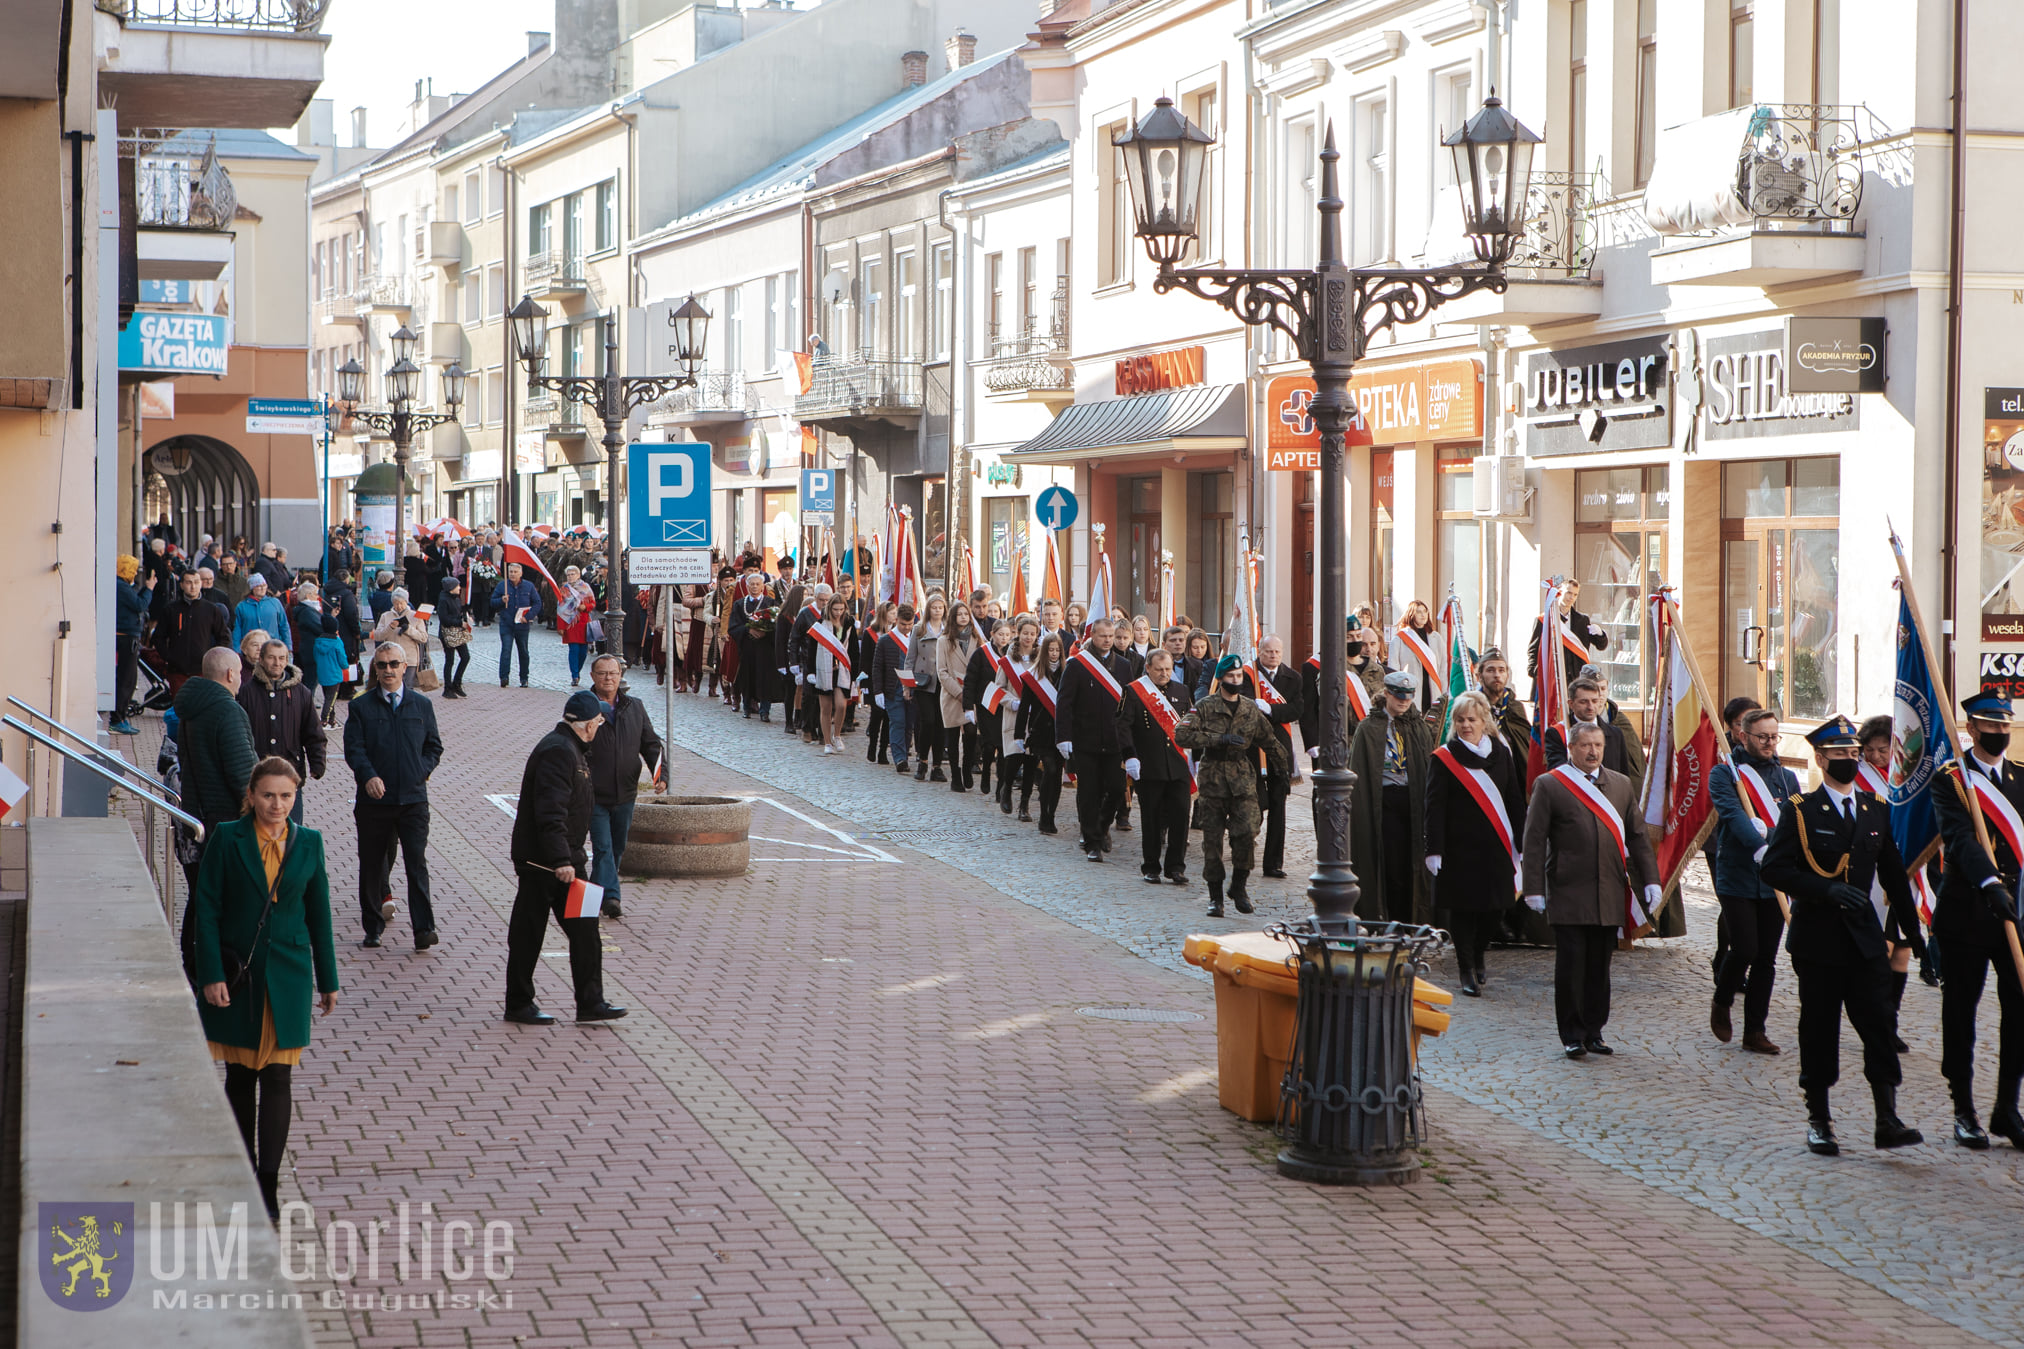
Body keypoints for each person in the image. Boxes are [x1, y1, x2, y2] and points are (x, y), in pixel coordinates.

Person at [1760, 716, 1926, 1156]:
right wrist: (1825, 888)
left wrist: (1918, 937)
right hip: (1819, 941)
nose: (1850, 761)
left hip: (1867, 940)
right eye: (1840, 755)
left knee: (1879, 1025)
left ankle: (1887, 1118)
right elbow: (1774, 868)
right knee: (1819, 1029)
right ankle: (1820, 1119)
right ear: (1820, 758)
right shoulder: (1801, 810)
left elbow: (1895, 876)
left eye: (1854, 754)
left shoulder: (1875, 810)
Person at [191, 756, 340, 1221]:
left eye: (286, 796)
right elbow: (206, 910)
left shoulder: (309, 843)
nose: (277, 805)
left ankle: (268, 1185)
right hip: (241, 976)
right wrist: (210, 973)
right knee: (240, 1077)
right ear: (252, 795)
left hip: (290, 977)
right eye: (269, 795)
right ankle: (243, 1174)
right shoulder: (227, 838)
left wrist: (328, 980)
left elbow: (320, 914)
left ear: (296, 797)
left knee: (279, 1076)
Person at [1521, 721, 1663, 1058]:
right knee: (1571, 965)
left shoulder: (1621, 785)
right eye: (1585, 745)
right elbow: (1535, 838)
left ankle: (1594, 1031)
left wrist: (1652, 880)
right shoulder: (1551, 785)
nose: (1592, 752)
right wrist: (1533, 889)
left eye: (1597, 745)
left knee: (1599, 966)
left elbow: (1639, 838)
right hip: (1568, 889)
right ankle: (1571, 1033)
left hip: (1609, 890)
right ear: (1571, 748)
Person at [1930, 690, 2024, 1150]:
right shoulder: (1952, 778)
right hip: (1968, 910)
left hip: (2015, 914)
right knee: (1961, 1014)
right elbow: (1961, 840)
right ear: (1971, 728)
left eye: (2005, 725)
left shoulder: (2021, 779)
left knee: (2020, 1010)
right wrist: (1990, 883)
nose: (2000, 733)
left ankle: (2008, 1107)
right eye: (1990, 725)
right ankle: (1963, 1109)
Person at [505, 690, 628, 1025]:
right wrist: (561, 860)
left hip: (568, 861)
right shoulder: (559, 752)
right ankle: (518, 1003)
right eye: (599, 723)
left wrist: (569, 860)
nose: (600, 729)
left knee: (586, 930)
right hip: (544, 864)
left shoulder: (571, 748)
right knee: (528, 932)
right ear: (588, 726)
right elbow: (550, 811)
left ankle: (591, 1002)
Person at [1707, 707, 1801, 1054]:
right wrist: (1759, 845)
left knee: (1766, 957)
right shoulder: (1725, 774)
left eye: (1774, 737)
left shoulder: (1787, 777)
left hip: (1775, 876)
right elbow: (1732, 814)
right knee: (1745, 948)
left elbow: (1793, 822)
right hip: (1738, 874)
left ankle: (1755, 1031)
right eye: (1762, 737)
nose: (1769, 743)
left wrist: (1773, 840)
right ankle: (1722, 997)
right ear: (1743, 736)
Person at [1426, 690, 1527, 996]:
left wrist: (1522, 840)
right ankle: (1465, 968)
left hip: (1497, 845)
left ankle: (1480, 953)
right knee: (1464, 911)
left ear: (1484, 721)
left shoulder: (1501, 753)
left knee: (1495, 910)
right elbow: (1435, 805)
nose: (1466, 725)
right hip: (1460, 849)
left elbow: (1513, 799)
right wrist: (1434, 849)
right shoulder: (1445, 758)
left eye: (1471, 719)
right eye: (1460, 720)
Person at [343, 642, 442, 950]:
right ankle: (372, 927)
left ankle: (424, 929)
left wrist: (420, 770)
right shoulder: (361, 706)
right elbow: (354, 749)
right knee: (372, 864)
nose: (387, 670)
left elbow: (434, 747)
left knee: (416, 864)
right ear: (376, 668)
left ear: (403, 667)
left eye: (393, 664)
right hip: (375, 803)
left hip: (413, 800)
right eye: (382, 665)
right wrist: (368, 775)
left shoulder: (421, 705)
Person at [1175, 654, 1287, 915]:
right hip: (1213, 778)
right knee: (1212, 841)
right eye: (1230, 677)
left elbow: (1269, 740)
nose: (1236, 680)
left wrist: (1283, 768)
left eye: (1239, 676)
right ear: (1221, 679)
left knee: (1247, 833)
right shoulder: (1204, 706)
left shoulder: (1249, 708)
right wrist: (1218, 739)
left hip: (1242, 779)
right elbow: (1182, 734)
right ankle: (1215, 897)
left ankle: (1239, 885)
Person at [1349, 671, 1435, 923]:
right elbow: (1359, 769)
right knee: (1393, 863)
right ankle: (1391, 917)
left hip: (1413, 800)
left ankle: (1415, 917)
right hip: (1384, 801)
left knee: (1415, 860)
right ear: (1386, 694)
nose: (1404, 702)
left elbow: (1426, 764)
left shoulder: (1417, 726)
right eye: (1398, 697)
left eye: (1409, 697)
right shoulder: (1369, 727)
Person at [1857, 713, 1923, 1035]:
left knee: (1902, 952)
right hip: (1875, 874)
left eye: (1882, 750)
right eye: (1869, 749)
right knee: (1881, 949)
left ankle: (1890, 1022)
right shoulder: (1859, 778)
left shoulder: (1907, 778)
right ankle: (1876, 1021)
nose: (1875, 756)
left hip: (1907, 870)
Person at [585, 654, 664, 920]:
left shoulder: (635, 707)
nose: (608, 678)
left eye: (613, 673)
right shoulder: (584, 706)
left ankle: (593, 900)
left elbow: (651, 744)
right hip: (594, 794)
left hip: (626, 793)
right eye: (603, 673)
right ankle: (613, 898)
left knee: (616, 848)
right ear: (593, 677)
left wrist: (660, 774)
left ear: (621, 676)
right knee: (603, 848)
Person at [173, 647, 257, 895]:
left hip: (199, 812)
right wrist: (260, 810)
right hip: (227, 819)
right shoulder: (228, 711)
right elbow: (242, 772)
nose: (242, 678)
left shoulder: (193, 708)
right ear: (230, 674)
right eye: (241, 672)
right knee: (227, 897)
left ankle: (193, 936)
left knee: (202, 897)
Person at [1055, 618, 1133, 862]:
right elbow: (1064, 703)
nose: (1108, 640)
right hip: (1085, 740)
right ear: (1092, 637)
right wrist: (1063, 737)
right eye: (1102, 635)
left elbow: (1128, 705)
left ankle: (1101, 826)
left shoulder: (1124, 666)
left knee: (1117, 788)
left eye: (1111, 635)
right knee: (1089, 792)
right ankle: (1092, 842)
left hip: (1114, 741)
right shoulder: (1077, 665)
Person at [1120, 647, 1194, 885]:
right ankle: (1151, 866)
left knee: (1181, 816)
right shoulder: (1133, 691)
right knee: (1151, 818)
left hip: (1178, 765)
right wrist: (1130, 755)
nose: (1164, 674)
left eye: (1168, 669)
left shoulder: (1182, 690)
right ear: (1148, 668)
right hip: (1149, 764)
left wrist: (1197, 757)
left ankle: (1176, 867)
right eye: (1159, 669)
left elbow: (1190, 724)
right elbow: (1123, 726)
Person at [237, 640, 326, 825]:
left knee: (291, 830)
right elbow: (239, 734)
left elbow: (313, 731)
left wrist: (317, 763)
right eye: (271, 657)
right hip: (257, 774)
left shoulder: (301, 693)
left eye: (282, 658)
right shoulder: (246, 692)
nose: (277, 663)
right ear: (261, 659)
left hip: (290, 770)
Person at [1242, 636, 1303, 877]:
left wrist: (1271, 709)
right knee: (1257, 801)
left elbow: (1297, 709)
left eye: (1277, 651)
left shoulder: (1293, 678)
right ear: (1260, 651)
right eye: (1268, 651)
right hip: (1253, 747)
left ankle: (1273, 863)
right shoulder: (1248, 674)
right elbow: (1243, 703)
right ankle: (1244, 854)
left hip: (1279, 748)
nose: (1273, 656)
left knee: (1279, 805)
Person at [1015, 632, 1067, 831]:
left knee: (1057, 775)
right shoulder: (1034, 676)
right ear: (1044, 652)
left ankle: (1050, 814)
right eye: (1050, 650)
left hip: (1060, 733)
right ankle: (1043, 813)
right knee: (1050, 769)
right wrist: (1019, 734)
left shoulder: (1067, 672)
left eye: (1057, 650)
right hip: (1040, 733)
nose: (1054, 654)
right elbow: (1024, 706)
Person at [159, 569, 233, 696]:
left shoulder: (211, 609)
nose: (193, 586)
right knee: (180, 709)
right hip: (177, 671)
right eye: (188, 582)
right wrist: (169, 657)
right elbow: (158, 637)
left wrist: (213, 659)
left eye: (196, 582)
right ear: (181, 585)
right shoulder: (171, 609)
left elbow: (224, 637)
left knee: (201, 707)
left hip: (203, 670)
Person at [1527, 577, 1610, 691]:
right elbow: (1533, 649)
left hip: (1576, 680)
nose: (1571, 598)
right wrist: (1535, 671)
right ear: (1559, 592)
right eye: (1568, 593)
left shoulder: (1582, 620)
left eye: (1575, 595)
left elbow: (1601, 646)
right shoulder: (1545, 619)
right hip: (1552, 678)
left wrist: (1600, 634)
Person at [964, 619, 1015, 800]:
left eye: (1007, 635)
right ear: (992, 634)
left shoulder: (1012, 655)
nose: (1004, 638)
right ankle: (986, 771)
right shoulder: (981, 654)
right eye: (1000, 634)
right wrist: (968, 706)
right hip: (986, 705)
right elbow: (970, 681)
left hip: (1004, 705)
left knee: (1003, 748)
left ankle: (1000, 786)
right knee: (988, 745)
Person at [1544, 678, 1637, 777]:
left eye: (1594, 701)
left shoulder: (1615, 734)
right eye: (1584, 702)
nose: (1590, 707)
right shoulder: (1558, 733)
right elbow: (1557, 772)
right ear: (1571, 704)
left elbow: (1623, 774)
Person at [936, 602, 981, 790]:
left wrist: (970, 693)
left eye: (966, 614)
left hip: (971, 694)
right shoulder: (944, 640)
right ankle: (955, 775)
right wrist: (958, 692)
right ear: (953, 617)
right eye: (959, 614)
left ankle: (967, 768)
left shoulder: (977, 639)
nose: (963, 617)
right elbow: (942, 671)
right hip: (952, 694)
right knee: (953, 736)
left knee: (971, 732)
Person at [804, 594, 856, 753]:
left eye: (841, 609)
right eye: (835, 609)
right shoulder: (820, 625)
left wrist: (855, 674)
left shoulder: (849, 624)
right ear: (829, 608)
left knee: (841, 705)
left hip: (842, 670)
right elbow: (811, 650)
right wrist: (811, 671)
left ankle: (837, 735)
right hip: (824, 669)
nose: (838, 613)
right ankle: (827, 742)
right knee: (825, 708)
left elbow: (854, 650)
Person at [871, 602, 917, 772]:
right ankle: (899, 758)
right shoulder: (885, 640)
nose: (906, 628)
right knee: (897, 721)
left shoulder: (916, 639)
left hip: (912, 688)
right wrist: (878, 691)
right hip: (893, 688)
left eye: (910, 624)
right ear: (896, 621)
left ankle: (904, 753)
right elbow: (877, 667)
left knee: (908, 725)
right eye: (903, 624)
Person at [910, 591, 949, 780]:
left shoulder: (948, 630)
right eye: (934, 608)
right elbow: (910, 658)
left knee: (941, 725)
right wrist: (907, 686)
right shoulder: (919, 629)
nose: (937, 611)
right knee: (928, 721)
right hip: (924, 682)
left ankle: (937, 765)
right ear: (928, 609)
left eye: (940, 608)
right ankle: (923, 761)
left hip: (942, 683)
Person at [730, 571, 776, 721]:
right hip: (747, 647)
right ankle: (747, 707)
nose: (755, 587)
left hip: (765, 648)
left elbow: (777, 624)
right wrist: (748, 629)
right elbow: (733, 626)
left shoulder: (770, 603)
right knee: (747, 677)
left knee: (765, 679)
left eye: (758, 584)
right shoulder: (739, 604)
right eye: (752, 585)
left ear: (763, 586)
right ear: (747, 586)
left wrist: (765, 632)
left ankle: (765, 710)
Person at [112, 555, 149, 734]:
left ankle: (120, 717)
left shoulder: (121, 586)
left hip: (125, 635)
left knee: (127, 678)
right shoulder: (121, 587)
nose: (135, 573)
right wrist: (149, 589)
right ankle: (117, 719)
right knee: (127, 678)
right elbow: (139, 605)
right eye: (133, 569)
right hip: (126, 637)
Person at [1388, 599, 1444, 713]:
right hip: (1410, 690)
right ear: (1411, 614)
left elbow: (1444, 666)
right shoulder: (1400, 639)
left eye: (1425, 611)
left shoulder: (1436, 638)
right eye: (1419, 612)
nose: (1423, 615)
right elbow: (1393, 670)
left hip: (1432, 690)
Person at [369, 587, 430, 689]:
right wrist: (390, 627)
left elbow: (423, 638)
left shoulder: (415, 616)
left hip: (409, 659)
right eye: (396, 603)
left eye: (402, 603)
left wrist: (408, 629)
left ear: (406, 602)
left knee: (407, 687)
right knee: (392, 686)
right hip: (391, 659)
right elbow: (378, 636)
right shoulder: (386, 616)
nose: (399, 606)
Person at [1475, 648, 1532, 756]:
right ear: (1480, 676)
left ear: (1507, 675)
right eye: (1490, 670)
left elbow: (1524, 747)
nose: (1497, 675)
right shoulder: (1473, 706)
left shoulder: (1515, 707)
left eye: (1501, 670)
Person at [493, 562, 541, 688]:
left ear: (521, 573)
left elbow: (537, 603)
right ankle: (504, 677)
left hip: (522, 625)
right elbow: (492, 602)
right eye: (511, 572)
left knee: (523, 652)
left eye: (515, 572)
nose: (512, 574)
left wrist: (528, 616)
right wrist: (501, 601)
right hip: (506, 624)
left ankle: (524, 678)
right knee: (506, 650)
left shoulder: (528, 586)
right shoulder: (502, 585)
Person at [435, 576, 473, 698]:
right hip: (448, 634)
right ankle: (447, 688)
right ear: (451, 588)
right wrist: (459, 623)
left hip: (457, 633)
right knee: (450, 660)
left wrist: (465, 618)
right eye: (457, 586)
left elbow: (458, 613)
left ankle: (457, 683)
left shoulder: (456, 598)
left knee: (465, 657)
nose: (459, 588)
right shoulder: (443, 600)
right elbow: (444, 619)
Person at [233, 573, 291, 652]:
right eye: (259, 586)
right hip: (251, 649)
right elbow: (237, 629)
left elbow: (284, 626)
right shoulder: (242, 606)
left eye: (264, 585)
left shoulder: (275, 603)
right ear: (252, 588)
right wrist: (237, 649)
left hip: (273, 647)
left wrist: (288, 647)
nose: (262, 588)